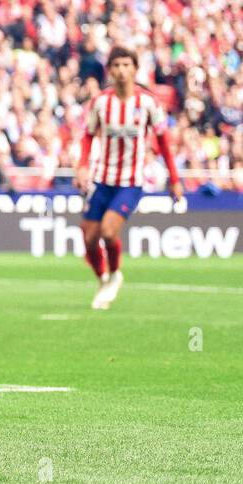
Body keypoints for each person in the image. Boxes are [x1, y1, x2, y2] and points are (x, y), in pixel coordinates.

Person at [76, 46, 183, 310]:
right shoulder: (101, 102)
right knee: (89, 239)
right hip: (102, 179)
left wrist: (175, 178)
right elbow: (88, 136)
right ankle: (102, 278)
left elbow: (163, 141)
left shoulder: (147, 103)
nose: (122, 71)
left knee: (108, 232)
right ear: (109, 70)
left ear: (135, 69)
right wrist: (82, 165)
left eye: (126, 65)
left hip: (131, 181)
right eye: (116, 66)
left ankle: (114, 275)